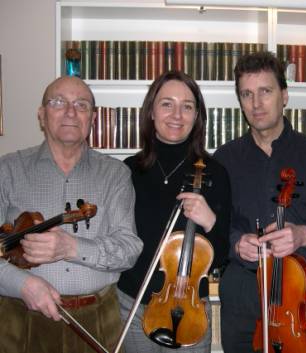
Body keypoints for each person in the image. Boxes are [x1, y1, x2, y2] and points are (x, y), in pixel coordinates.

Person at [213, 51, 306, 353]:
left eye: (265, 91)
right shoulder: (223, 160)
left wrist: (304, 234)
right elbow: (215, 227)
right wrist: (236, 243)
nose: (256, 103)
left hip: (305, 294)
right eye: (247, 94)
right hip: (242, 295)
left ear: (284, 95)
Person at [0, 76, 143, 353]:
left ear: (92, 117)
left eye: (81, 104)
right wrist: (23, 284)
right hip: (21, 320)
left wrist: (72, 247)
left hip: (98, 320)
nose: (70, 112)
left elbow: (129, 249)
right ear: (42, 115)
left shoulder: (115, 174)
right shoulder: (7, 170)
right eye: (58, 102)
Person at [117, 70, 231, 353]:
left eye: (187, 106)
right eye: (167, 103)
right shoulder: (127, 171)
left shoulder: (215, 172)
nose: (177, 114)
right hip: (133, 304)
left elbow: (223, 254)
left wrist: (211, 221)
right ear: (152, 112)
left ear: (197, 116)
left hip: (189, 309)